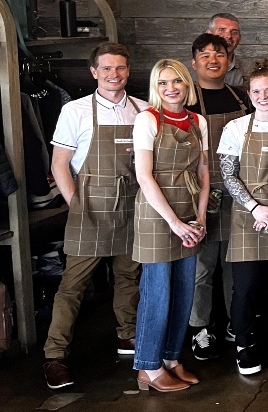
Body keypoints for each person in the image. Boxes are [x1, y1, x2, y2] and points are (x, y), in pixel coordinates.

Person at [43, 43, 147, 390]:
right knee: (73, 285)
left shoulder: (143, 111)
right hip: (88, 209)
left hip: (131, 206)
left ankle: (127, 337)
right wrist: (76, 205)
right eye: (106, 69)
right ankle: (55, 356)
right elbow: (59, 165)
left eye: (119, 68)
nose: (113, 75)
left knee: (127, 278)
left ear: (127, 71)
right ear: (94, 72)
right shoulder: (75, 111)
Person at [130, 59, 210, 392]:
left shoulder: (198, 121)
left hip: (189, 208)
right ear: (156, 88)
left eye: (176, 81)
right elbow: (144, 176)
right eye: (162, 83)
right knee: (157, 292)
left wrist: (201, 216)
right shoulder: (147, 120)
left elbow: (204, 173)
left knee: (184, 290)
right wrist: (175, 223)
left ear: (186, 84)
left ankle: (171, 357)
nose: (171, 88)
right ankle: (148, 367)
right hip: (156, 214)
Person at [217, 62, 268, 375]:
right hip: (247, 217)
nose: (263, 96)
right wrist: (256, 208)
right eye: (256, 91)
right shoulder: (236, 129)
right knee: (246, 286)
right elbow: (228, 174)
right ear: (249, 94)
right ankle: (243, 344)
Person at [186, 33, 253, 363]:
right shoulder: (185, 101)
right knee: (202, 265)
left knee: (234, 264)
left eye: (220, 54)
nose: (213, 60)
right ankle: (200, 326)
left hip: (240, 194)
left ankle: (233, 323)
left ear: (229, 60)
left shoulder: (241, 99)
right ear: (194, 62)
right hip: (201, 195)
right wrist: (198, 192)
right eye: (205, 54)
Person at [207, 13, 245, 87]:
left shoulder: (251, 69)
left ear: (240, 38)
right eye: (222, 30)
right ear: (208, 34)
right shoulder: (188, 70)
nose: (228, 36)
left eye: (234, 32)